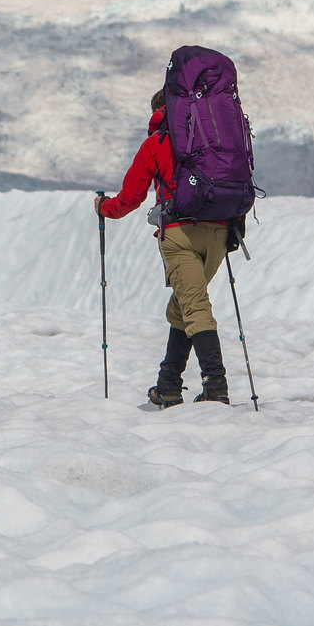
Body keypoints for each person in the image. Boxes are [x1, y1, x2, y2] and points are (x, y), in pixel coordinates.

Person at [97, 88, 233, 407]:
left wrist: (105, 207)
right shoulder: (215, 137)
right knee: (182, 306)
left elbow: (131, 197)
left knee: (195, 307)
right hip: (219, 233)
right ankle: (168, 385)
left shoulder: (157, 143)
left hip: (179, 234)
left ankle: (216, 385)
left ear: (159, 109)